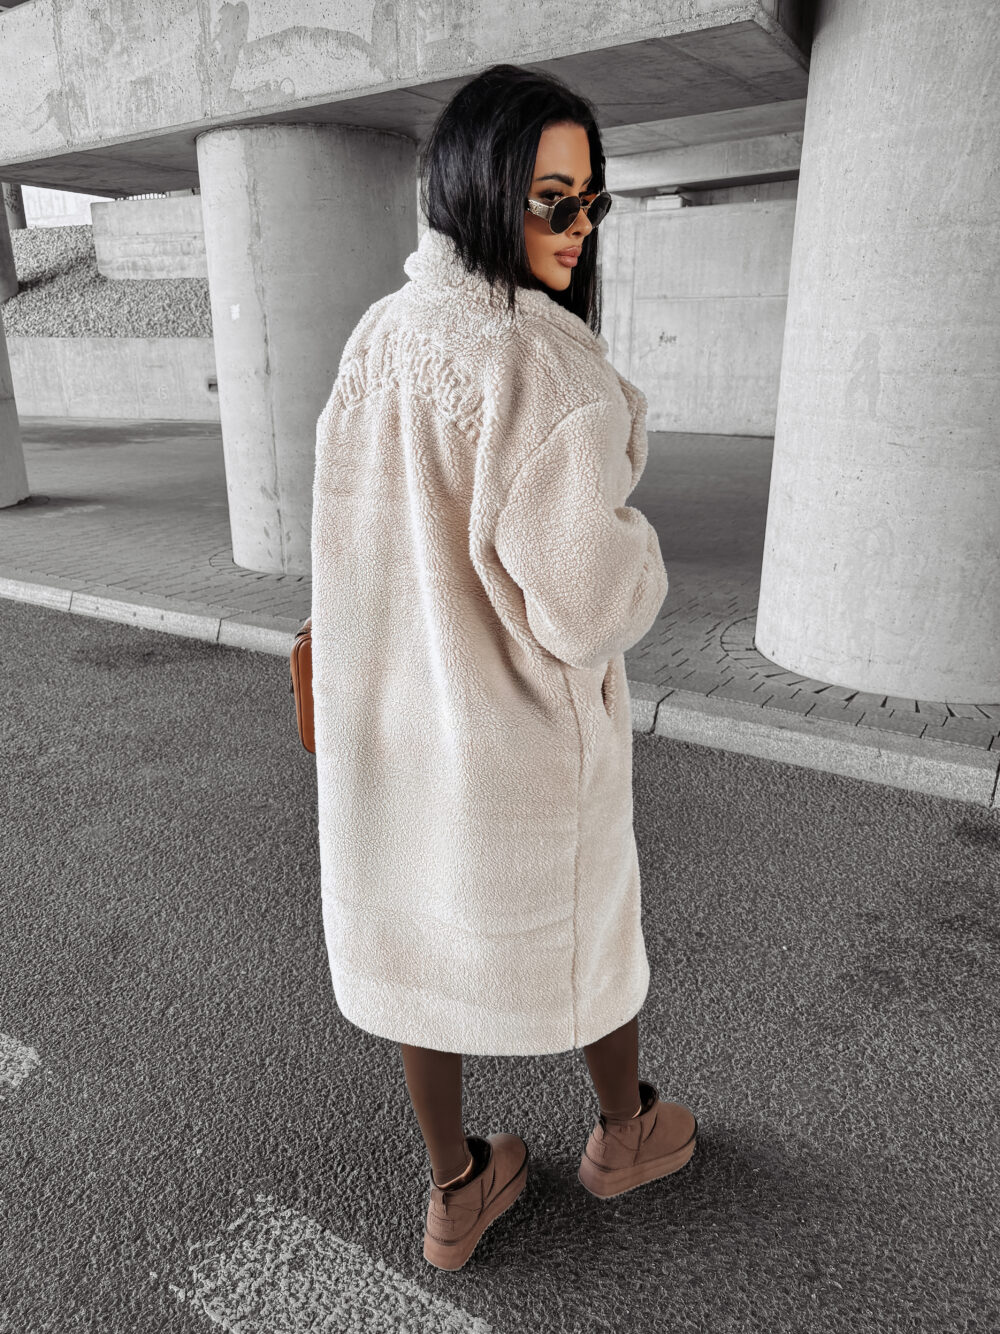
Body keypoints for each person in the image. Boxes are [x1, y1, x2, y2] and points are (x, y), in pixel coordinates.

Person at [309, 62, 698, 1271]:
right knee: (591, 928)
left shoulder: (378, 334)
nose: (578, 228)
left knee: (417, 939)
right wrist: (644, 559)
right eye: (552, 200)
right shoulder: (543, 367)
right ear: (480, 186)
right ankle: (624, 1131)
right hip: (516, 731)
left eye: (592, 201)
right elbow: (588, 604)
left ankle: (456, 1184)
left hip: (391, 712)